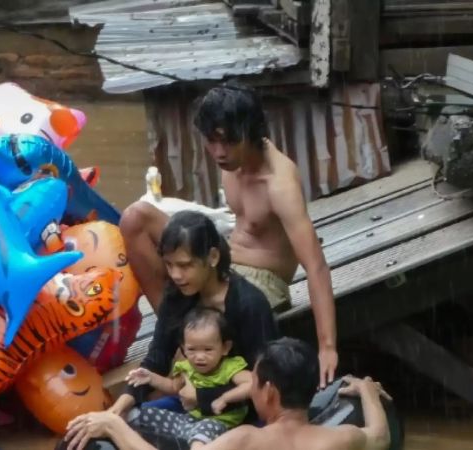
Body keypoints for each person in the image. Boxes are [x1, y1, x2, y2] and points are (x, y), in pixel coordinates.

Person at [121, 81, 338, 387]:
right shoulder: (231, 162)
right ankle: (181, 338)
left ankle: (192, 347)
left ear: (251, 133)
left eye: (228, 142)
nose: (219, 152)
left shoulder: (279, 183)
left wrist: (327, 347)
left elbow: (316, 265)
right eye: (212, 141)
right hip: (224, 256)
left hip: (263, 278)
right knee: (135, 219)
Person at [63, 337, 391, 450]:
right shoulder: (341, 440)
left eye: (256, 381)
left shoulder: (245, 440)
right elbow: (380, 437)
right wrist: (366, 389)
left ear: (270, 392)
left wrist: (113, 425)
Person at [106, 210, 279, 418]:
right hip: (193, 406)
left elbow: (266, 382)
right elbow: (157, 358)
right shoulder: (177, 296)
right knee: (133, 418)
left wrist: (202, 396)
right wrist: (119, 407)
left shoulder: (249, 304)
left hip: (238, 413)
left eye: (185, 265)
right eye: (169, 265)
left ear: (213, 257)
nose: (176, 275)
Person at [125, 307, 253, 448]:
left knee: (201, 435)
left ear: (225, 348)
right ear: (183, 348)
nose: (199, 357)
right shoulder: (186, 367)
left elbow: (251, 383)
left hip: (219, 426)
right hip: (188, 421)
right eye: (192, 349)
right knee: (137, 414)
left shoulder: (229, 367)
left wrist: (224, 398)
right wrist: (151, 378)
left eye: (208, 349)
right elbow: (173, 387)